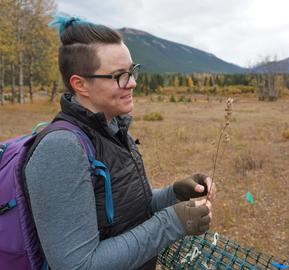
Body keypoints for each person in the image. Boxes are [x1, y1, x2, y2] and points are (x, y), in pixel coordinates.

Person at [24, 15, 216, 270]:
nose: (133, 83)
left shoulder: (114, 130)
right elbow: (76, 265)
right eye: (119, 76)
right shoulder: (61, 149)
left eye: (132, 71)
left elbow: (127, 211)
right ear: (80, 84)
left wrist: (173, 194)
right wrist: (172, 223)